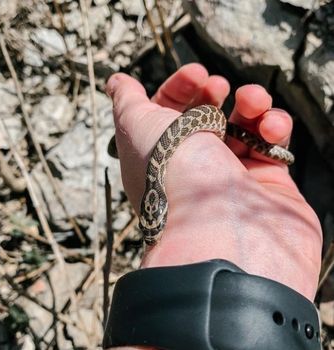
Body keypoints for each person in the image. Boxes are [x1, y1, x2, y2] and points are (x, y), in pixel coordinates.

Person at [105, 63, 322, 350]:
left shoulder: (159, 175)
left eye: (156, 224)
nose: (155, 233)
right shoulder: (157, 180)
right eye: (153, 227)